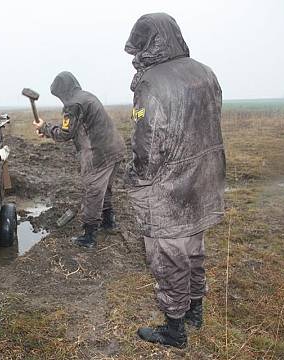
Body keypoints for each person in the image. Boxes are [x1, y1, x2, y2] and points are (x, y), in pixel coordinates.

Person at [123, 13, 226, 348]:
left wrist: (139, 177)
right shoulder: (205, 72)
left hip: (168, 186)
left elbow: (147, 141)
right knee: (194, 248)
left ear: (147, 41)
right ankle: (196, 309)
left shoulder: (151, 82)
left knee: (169, 256)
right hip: (204, 179)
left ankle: (175, 328)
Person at [33, 71, 126, 248]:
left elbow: (66, 133)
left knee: (93, 191)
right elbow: (76, 129)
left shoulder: (73, 104)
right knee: (104, 188)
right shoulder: (86, 96)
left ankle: (89, 236)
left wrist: (44, 128)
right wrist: (48, 131)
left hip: (99, 153)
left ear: (62, 90)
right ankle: (108, 221)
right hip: (115, 148)